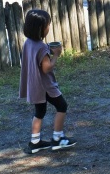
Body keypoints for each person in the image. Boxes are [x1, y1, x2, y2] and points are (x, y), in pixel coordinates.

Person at [19, 9, 76, 153]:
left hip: (34, 84)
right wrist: (56, 55)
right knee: (62, 106)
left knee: (39, 111)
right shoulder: (41, 47)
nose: (49, 27)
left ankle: (35, 142)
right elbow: (46, 68)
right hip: (45, 86)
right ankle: (58, 138)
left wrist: (46, 52)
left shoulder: (28, 43)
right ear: (41, 28)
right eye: (48, 25)